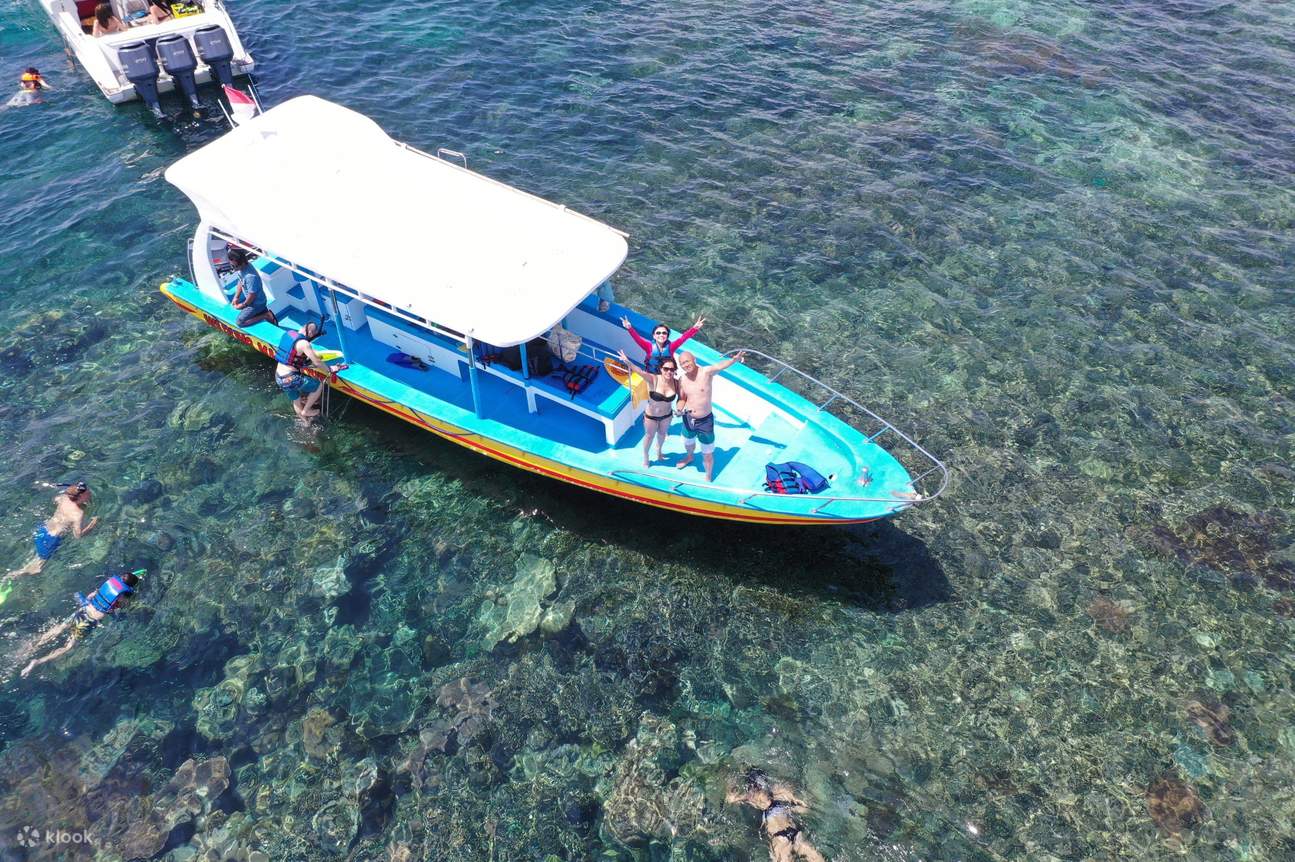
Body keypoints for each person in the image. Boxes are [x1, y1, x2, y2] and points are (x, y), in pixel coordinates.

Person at [20, 570, 144, 678]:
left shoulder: (107, 584)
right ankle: (37, 662)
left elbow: (91, 595)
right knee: (68, 647)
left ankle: (33, 646)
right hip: (88, 622)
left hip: (83, 610)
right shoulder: (121, 595)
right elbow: (124, 605)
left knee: (59, 628)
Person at [726, 768, 826, 862]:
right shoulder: (756, 797)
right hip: (786, 836)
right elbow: (731, 799)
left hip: (789, 835)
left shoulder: (773, 794)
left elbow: (802, 805)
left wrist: (797, 804)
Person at [674, 349, 744, 482]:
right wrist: (678, 409)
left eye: (687, 361)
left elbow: (720, 366)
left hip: (705, 421)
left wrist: (734, 360)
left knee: (707, 453)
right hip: (688, 419)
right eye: (682, 363)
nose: (685, 365)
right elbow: (682, 398)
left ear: (694, 359)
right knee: (688, 443)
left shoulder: (706, 372)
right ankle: (690, 456)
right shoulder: (682, 379)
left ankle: (708, 475)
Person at [4, 482, 99, 580]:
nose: (90, 494)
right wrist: (93, 523)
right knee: (37, 568)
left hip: (42, 530)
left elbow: (55, 499)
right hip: (51, 540)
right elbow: (77, 535)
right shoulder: (78, 513)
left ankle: (15, 573)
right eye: (88, 494)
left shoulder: (64, 498)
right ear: (80, 497)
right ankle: (9, 576)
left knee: (35, 557)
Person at [617, 349, 679, 467]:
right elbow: (639, 371)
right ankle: (646, 456)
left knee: (662, 434)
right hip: (651, 416)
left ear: (675, 370)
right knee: (649, 436)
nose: (669, 371)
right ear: (661, 369)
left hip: (667, 415)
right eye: (666, 369)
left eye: (672, 369)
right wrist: (627, 361)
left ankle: (659, 451)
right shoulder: (653, 379)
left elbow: (685, 395)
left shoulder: (676, 383)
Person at [274, 321, 334, 421]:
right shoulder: (304, 343)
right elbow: (317, 362)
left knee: (296, 400)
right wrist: (330, 370)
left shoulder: (289, 333)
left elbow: (293, 353)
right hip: (291, 378)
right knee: (318, 385)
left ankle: (305, 422)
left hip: (279, 377)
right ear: (310, 333)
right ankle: (307, 410)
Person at [621, 315, 705, 373]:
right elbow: (637, 338)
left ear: (667, 336)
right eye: (658, 333)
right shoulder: (648, 346)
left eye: (664, 333)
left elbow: (683, 338)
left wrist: (695, 328)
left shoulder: (671, 347)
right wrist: (629, 327)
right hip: (651, 374)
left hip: (666, 375)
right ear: (654, 336)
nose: (661, 335)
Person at [228, 248, 277, 327]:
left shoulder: (250, 277)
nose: (234, 268)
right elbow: (240, 281)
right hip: (255, 301)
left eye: (235, 266)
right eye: (232, 266)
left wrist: (243, 305)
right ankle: (266, 315)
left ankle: (266, 315)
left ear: (243, 263)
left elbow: (252, 295)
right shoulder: (241, 269)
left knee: (239, 323)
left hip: (257, 303)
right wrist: (236, 297)